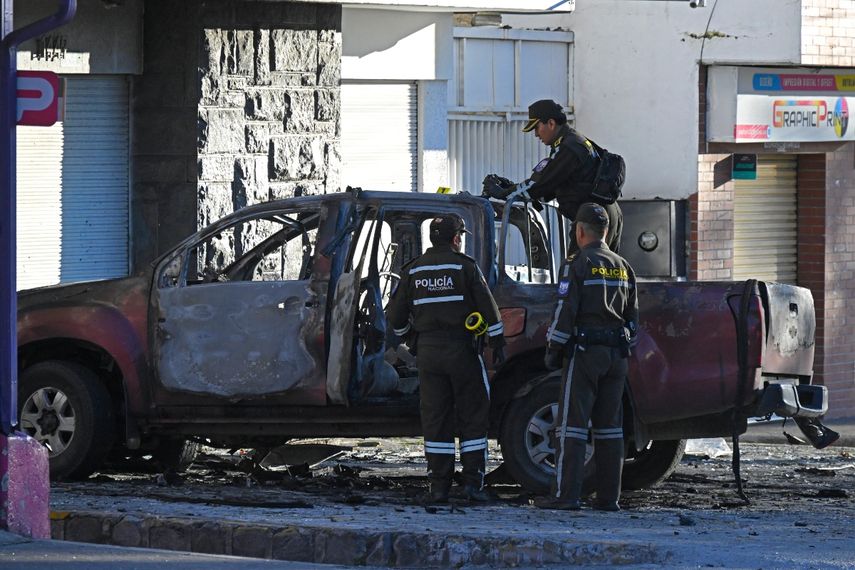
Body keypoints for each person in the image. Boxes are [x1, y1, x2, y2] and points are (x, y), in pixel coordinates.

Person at [386, 214, 506, 503]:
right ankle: (471, 486)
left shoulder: (413, 271)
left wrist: (412, 339)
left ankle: (438, 487)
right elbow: (490, 312)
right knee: (472, 416)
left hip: (428, 354)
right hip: (462, 351)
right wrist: (497, 342)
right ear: (456, 239)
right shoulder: (464, 267)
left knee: (436, 419)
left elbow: (395, 317)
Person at [536, 203, 638, 511]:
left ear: (579, 231)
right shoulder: (623, 265)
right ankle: (609, 498)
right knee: (610, 428)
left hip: (585, 353)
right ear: (606, 231)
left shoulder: (577, 264)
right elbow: (633, 319)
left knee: (571, 426)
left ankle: (566, 496)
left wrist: (554, 348)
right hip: (616, 356)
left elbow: (565, 310)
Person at [483, 99, 623, 256]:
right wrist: (512, 187)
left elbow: (539, 185)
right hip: (604, 214)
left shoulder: (568, 147)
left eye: (537, 127)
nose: (536, 134)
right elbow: (547, 187)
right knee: (606, 270)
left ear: (550, 123)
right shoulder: (574, 141)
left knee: (578, 271)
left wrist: (504, 193)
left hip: (592, 220)